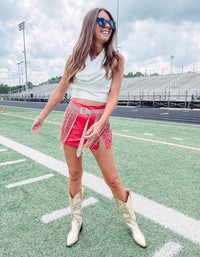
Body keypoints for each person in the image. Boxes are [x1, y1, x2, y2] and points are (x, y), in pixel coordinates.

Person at [31, 7, 146, 248]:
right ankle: (76, 220)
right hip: (73, 119)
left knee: (113, 179)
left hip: (98, 122)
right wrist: (42, 116)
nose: (107, 26)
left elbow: (113, 96)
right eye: (102, 21)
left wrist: (100, 123)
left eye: (110, 23)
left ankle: (132, 221)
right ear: (90, 25)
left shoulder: (116, 59)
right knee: (74, 175)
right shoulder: (74, 58)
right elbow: (61, 89)